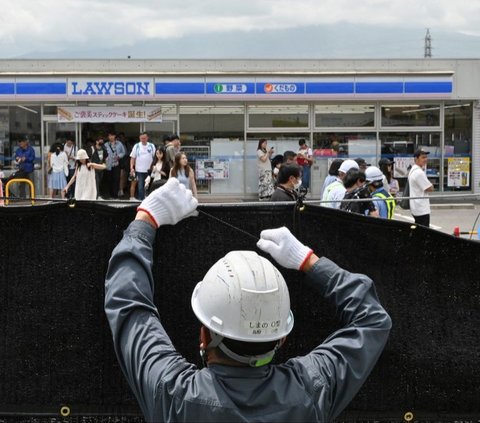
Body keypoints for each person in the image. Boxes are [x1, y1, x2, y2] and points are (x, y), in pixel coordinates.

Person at [105, 178, 391, 422]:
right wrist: (308, 260)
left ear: (204, 335)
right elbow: (373, 319)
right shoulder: (311, 388)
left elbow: (130, 306)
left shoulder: (173, 394)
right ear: (281, 339)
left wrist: (146, 219)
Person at [408, 149, 434, 227]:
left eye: (426, 157)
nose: (425, 160)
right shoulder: (419, 173)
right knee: (424, 231)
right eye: (423, 157)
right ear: (416, 159)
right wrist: (431, 185)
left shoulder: (413, 170)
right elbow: (430, 188)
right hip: (421, 208)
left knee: (419, 230)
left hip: (416, 206)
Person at [129, 132, 156, 201]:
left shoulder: (152, 146)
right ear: (139, 138)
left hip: (149, 170)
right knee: (140, 186)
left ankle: (148, 200)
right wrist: (132, 168)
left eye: (144, 138)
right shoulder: (137, 146)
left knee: (149, 186)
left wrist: (154, 166)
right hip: (139, 170)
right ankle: (141, 200)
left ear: (147, 138)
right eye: (141, 138)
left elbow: (155, 157)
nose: (143, 139)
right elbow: (132, 158)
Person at [104, 131, 126, 199]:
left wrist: (119, 156)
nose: (111, 137)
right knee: (109, 180)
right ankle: (110, 195)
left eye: (112, 135)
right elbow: (103, 153)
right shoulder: (106, 144)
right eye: (109, 136)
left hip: (116, 164)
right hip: (108, 165)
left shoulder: (119, 143)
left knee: (116, 179)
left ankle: (115, 195)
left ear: (115, 136)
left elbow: (123, 152)